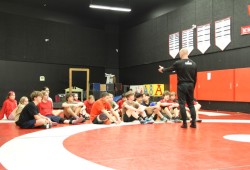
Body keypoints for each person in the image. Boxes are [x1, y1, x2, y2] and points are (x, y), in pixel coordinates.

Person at [158, 48, 197, 128]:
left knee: (182, 104)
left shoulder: (178, 63)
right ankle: (193, 123)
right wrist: (193, 87)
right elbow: (195, 77)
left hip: (182, 85)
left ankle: (185, 124)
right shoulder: (194, 64)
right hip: (191, 85)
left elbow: (169, 69)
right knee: (191, 105)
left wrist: (162, 69)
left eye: (179, 53)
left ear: (182, 53)